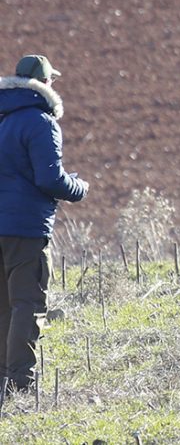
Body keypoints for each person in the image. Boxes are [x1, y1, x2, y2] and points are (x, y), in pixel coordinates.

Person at [0, 55, 88, 391]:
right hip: (24, 229)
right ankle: (21, 383)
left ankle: (3, 381)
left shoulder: (3, 119)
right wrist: (79, 187)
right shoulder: (40, 121)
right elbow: (50, 180)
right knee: (27, 304)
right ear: (45, 83)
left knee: (4, 306)